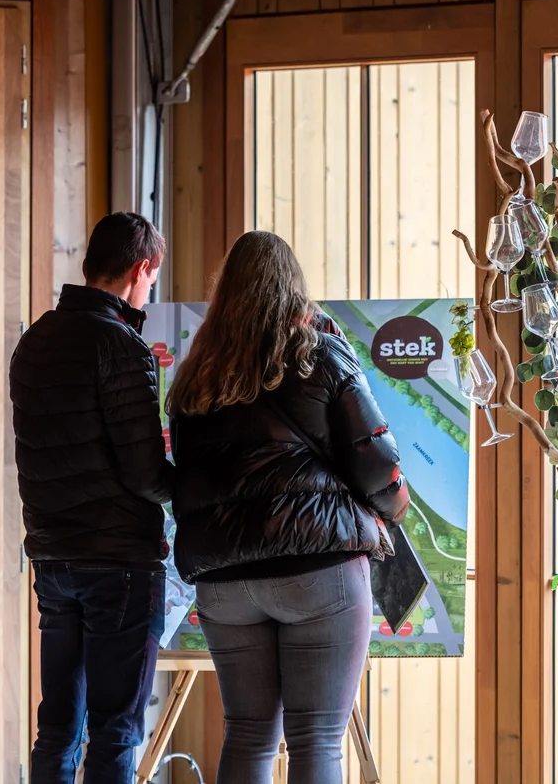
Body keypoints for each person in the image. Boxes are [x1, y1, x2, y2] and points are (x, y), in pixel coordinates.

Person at [168, 230, 409, 784]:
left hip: (225, 582)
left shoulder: (195, 378)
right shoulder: (320, 354)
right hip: (316, 571)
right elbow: (375, 461)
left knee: (249, 735)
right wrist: (395, 504)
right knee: (317, 742)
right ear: (292, 288)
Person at [10, 212, 173, 784]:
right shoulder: (122, 346)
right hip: (119, 565)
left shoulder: (34, 340)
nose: (150, 288)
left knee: (57, 726)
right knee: (116, 731)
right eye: (152, 278)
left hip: (53, 560)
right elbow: (146, 474)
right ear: (141, 268)